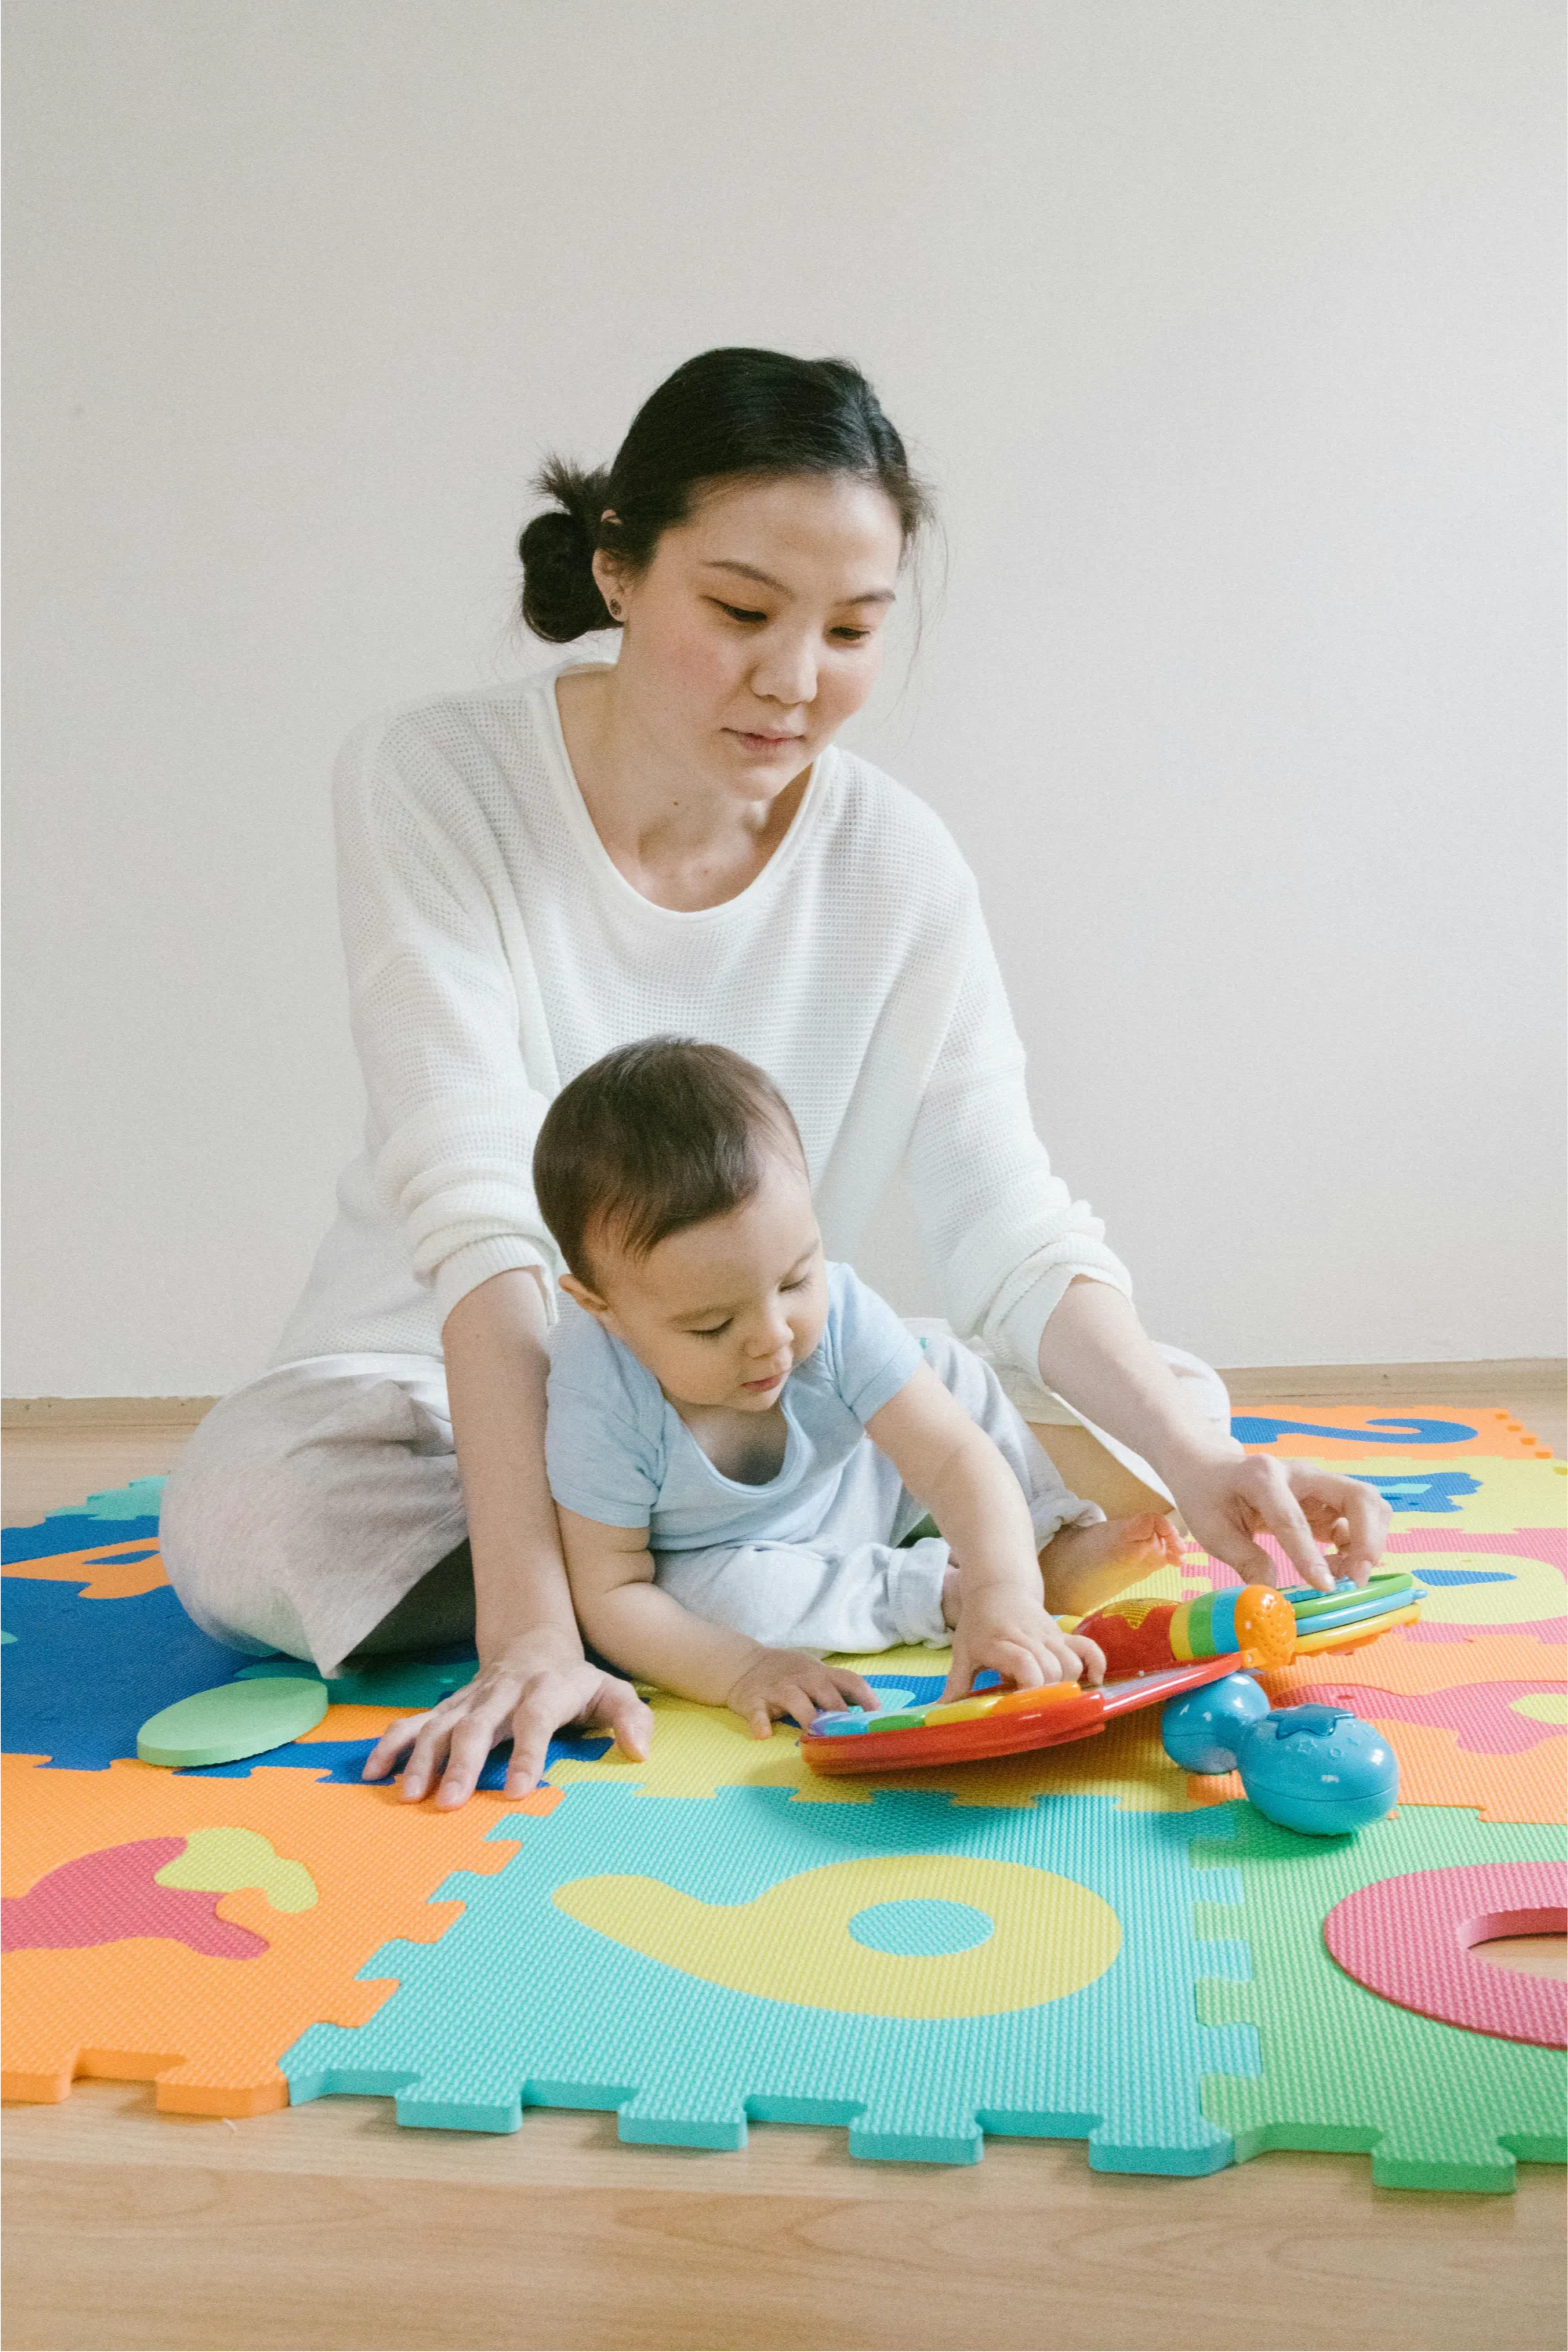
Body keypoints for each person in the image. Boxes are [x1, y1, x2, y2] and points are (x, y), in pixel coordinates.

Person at [158, 345, 1389, 1810]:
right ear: (619, 568)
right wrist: (532, 1634)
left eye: (855, 629)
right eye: (741, 612)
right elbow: (479, 1212)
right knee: (249, 1514)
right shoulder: (435, 779)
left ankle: (732, 1572)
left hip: (758, 1385)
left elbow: (1011, 1218)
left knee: (1157, 1392)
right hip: (445, 1384)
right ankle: (775, 1570)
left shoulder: (898, 858)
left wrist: (1199, 1453)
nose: (795, 682)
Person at [535, 1036, 1183, 1732]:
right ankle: (941, 1594)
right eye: (711, 1326)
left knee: (947, 1371)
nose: (773, 1336)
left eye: (794, 1280)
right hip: (739, 1555)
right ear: (601, 1308)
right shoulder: (598, 1402)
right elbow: (610, 1592)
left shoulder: (838, 1314)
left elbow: (954, 1457)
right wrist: (744, 1670)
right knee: (712, 1604)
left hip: (863, 1483)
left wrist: (1008, 1590)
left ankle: (1033, 1552)